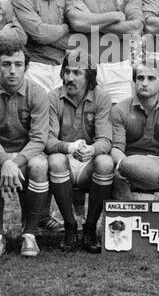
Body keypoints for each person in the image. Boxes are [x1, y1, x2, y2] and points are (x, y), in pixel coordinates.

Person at [0, 45, 53, 258]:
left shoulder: (38, 93)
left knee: (40, 165)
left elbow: (39, 138)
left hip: (26, 153)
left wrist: (14, 162)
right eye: (6, 64)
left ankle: (30, 234)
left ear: (26, 67)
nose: (12, 70)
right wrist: (5, 160)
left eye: (18, 64)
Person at [46, 48, 115, 253]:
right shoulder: (52, 98)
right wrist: (69, 147)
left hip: (89, 161)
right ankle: (70, 226)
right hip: (63, 159)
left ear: (89, 77)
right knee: (56, 160)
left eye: (77, 73)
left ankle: (90, 228)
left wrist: (91, 150)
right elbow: (48, 141)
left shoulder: (101, 97)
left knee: (106, 163)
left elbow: (105, 140)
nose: (70, 78)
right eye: (67, 72)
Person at [65, 0, 143, 104]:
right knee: (83, 122)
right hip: (83, 69)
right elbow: (78, 23)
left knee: (119, 120)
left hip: (118, 68)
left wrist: (90, 17)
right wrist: (116, 15)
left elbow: (135, 28)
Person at [110, 59, 159, 202]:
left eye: (151, 78)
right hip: (130, 158)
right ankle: (126, 220)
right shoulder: (120, 110)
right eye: (140, 78)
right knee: (116, 173)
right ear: (134, 81)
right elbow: (116, 147)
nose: (144, 83)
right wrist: (123, 164)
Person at [10, 0, 73, 94]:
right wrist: (65, 28)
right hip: (34, 67)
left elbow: (73, 41)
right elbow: (38, 34)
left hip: (61, 69)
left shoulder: (63, 0)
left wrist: (45, 35)